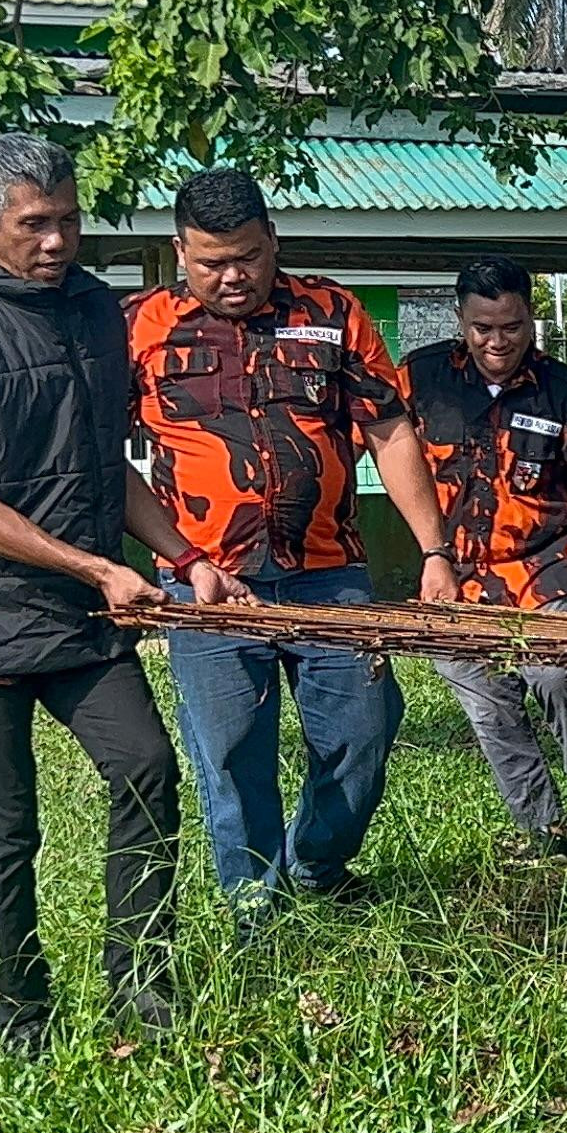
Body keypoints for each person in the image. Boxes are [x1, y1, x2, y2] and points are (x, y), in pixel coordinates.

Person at [0, 133, 242, 1059]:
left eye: (69, 220)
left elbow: (102, 464)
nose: (56, 241)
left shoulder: (92, 311)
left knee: (147, 767)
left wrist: (181, 556)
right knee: (7, 822)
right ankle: (24, 1019)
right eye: (35, 224)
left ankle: (142, 981)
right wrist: (99, 570)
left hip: (76, 612)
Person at [129, 168, 461, 918]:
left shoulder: (331, 311)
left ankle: (315, 861)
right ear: (180, 251)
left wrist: (435, 551)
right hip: (207, 582)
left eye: (247, 255)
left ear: (273, 240)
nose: (232, 276)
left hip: (327, 571)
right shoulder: (140, 327)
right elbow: (99, 455)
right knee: (232, 751)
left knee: (365, 731)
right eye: (210, 261)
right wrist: (176, 558)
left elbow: (389, 428)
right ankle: (253, 906)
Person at [407, 256, 567, 843]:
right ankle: (544, 830)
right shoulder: (420, 379)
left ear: (530, 319)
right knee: (489, 705)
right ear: (460, 320)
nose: (497, 341)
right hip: (454, 574)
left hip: (544, 567)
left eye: (511, 326)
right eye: (482, 328)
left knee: (554, 673)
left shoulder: (565, 394)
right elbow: (383, 450)